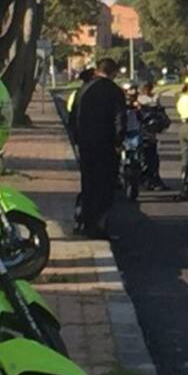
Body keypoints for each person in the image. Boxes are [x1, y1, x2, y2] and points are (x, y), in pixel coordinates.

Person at [69, 57, 126, 240]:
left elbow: (73, 115)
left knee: (88, 184)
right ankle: (98, 227)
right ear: (113, 72)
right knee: (104, 186)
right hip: (105, 145)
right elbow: (119, 118)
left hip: (85, 144)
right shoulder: (114, 91)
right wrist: (118, 142)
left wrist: (76, 139)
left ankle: (85, 223)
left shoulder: (84, 89)